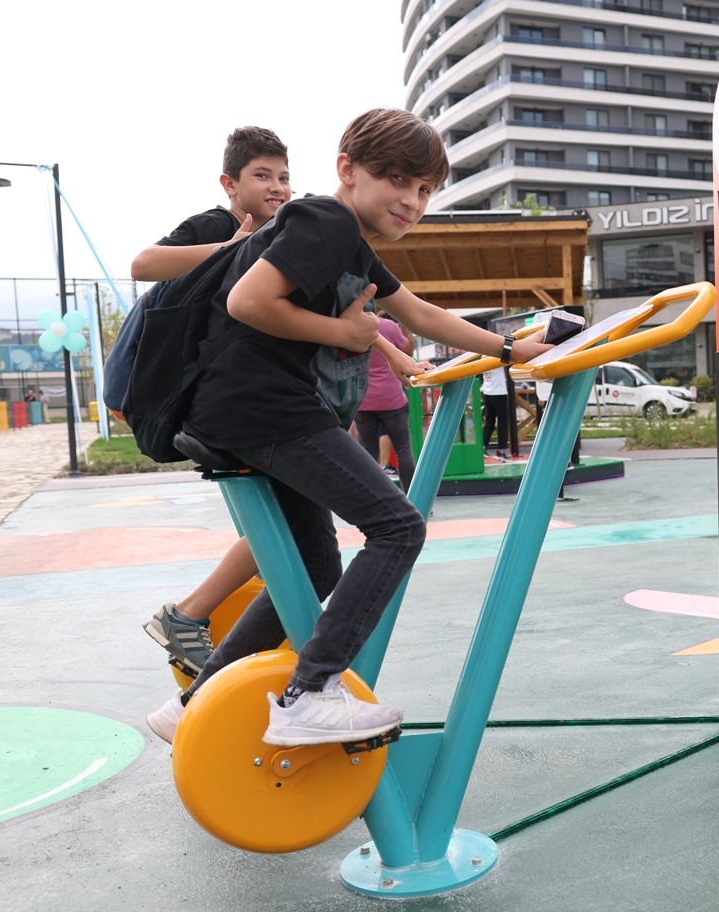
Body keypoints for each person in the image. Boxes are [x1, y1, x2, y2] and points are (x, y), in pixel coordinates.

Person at [147, 107, 551, 748]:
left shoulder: (349, 242)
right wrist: (343, 332)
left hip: (249, 408)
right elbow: (247, 302)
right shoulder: (325, 220)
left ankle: (193, 703)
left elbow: (415, 312)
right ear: (348, 170)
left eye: (424, 190)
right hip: (265, 408)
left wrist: (510, 350)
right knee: (397, 526)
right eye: (398, 180)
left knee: (313, 570)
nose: (412, 201)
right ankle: (310, 694)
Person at [134, 127, 293, 678]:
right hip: (216, 399)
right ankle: (187, 614)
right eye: (262, 176)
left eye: (283, 176)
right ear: (230, 183)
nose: (276, 187)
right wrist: (229, 246)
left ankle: (204, 618)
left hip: (248, 396)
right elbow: (144, 263)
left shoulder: (278, 236)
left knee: (285, 521)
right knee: (288, 520)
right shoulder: (219, 224)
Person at [353, 313, 417, 491]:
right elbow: (408, 351)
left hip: (363, 399)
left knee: (367, 453)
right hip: (392, 399)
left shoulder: (351, 325)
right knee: (403, 450)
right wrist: (407, 328)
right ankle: (414, 498)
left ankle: (372, 497)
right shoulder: (389, 326)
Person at [481, 360, 511, 459]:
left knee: (490, 422)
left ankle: (482, 446)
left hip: (487, 392)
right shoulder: (496, 357)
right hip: (499, 393)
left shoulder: (483, 357)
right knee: (503, 423)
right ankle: (501, 451)